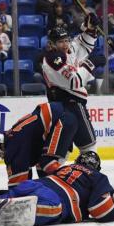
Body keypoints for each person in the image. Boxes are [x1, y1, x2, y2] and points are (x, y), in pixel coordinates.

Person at [0, 102, 78, 187]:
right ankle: (57, 188)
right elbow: (26, 174)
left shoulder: (13, 146)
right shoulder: (12, 137)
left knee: (47, 163)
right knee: (43, 170)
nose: (1, 156)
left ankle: (76, 180)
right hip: (63, 118)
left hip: (62, 120)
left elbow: (18, 184)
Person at [42, 17, 99, 153]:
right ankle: (88, 173)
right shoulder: (54, 59)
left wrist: (90, 29)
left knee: (62, 151)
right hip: (70, 105)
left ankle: (53, 171)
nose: (65, 44)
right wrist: (91, 64)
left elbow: (81, 45)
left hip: (65, 106)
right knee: (89, 148)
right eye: (61, 42)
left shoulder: (65, 51)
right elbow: (75, 82)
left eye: (66, 40)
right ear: (52, 44)